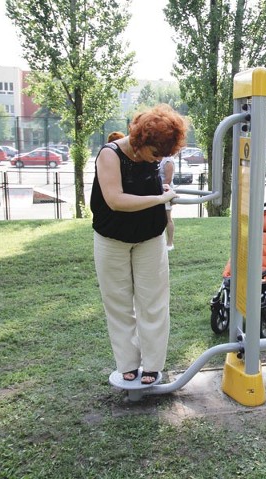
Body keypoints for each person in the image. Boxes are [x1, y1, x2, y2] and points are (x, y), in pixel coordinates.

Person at [91, 104, 187, 386]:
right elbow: (116, 200)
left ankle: (153, 366)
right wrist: (160, 200)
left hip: (150, 237)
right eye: (157, 153)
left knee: (153, 303)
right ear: (141, 140)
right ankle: (128, 364)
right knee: (119, 303)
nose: (159, 159)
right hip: (112, 239)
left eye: (165, 154)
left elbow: (153, 187)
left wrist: (164, 191)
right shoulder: (110, 155)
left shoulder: (153, 158)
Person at [158, 155, 176, 250]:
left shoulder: (168, 161)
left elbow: (168, 180)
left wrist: (158, 189)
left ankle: (170, 243)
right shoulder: (157, 157)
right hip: (158, 192)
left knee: (167, 217)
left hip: (165, 191)